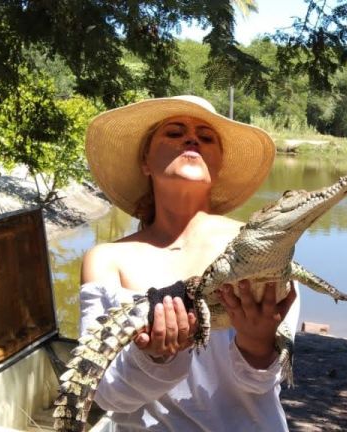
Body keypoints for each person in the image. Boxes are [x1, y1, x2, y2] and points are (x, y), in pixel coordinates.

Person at [79, 95, 300, 431]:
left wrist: (258, 344)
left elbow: (260, 384)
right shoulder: (106, 259)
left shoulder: (261, 244)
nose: (191, 139)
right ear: (145, 161)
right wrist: (153, 358)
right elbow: (106, 396)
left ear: (218, 164)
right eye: (174, 132)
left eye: (206, 137)